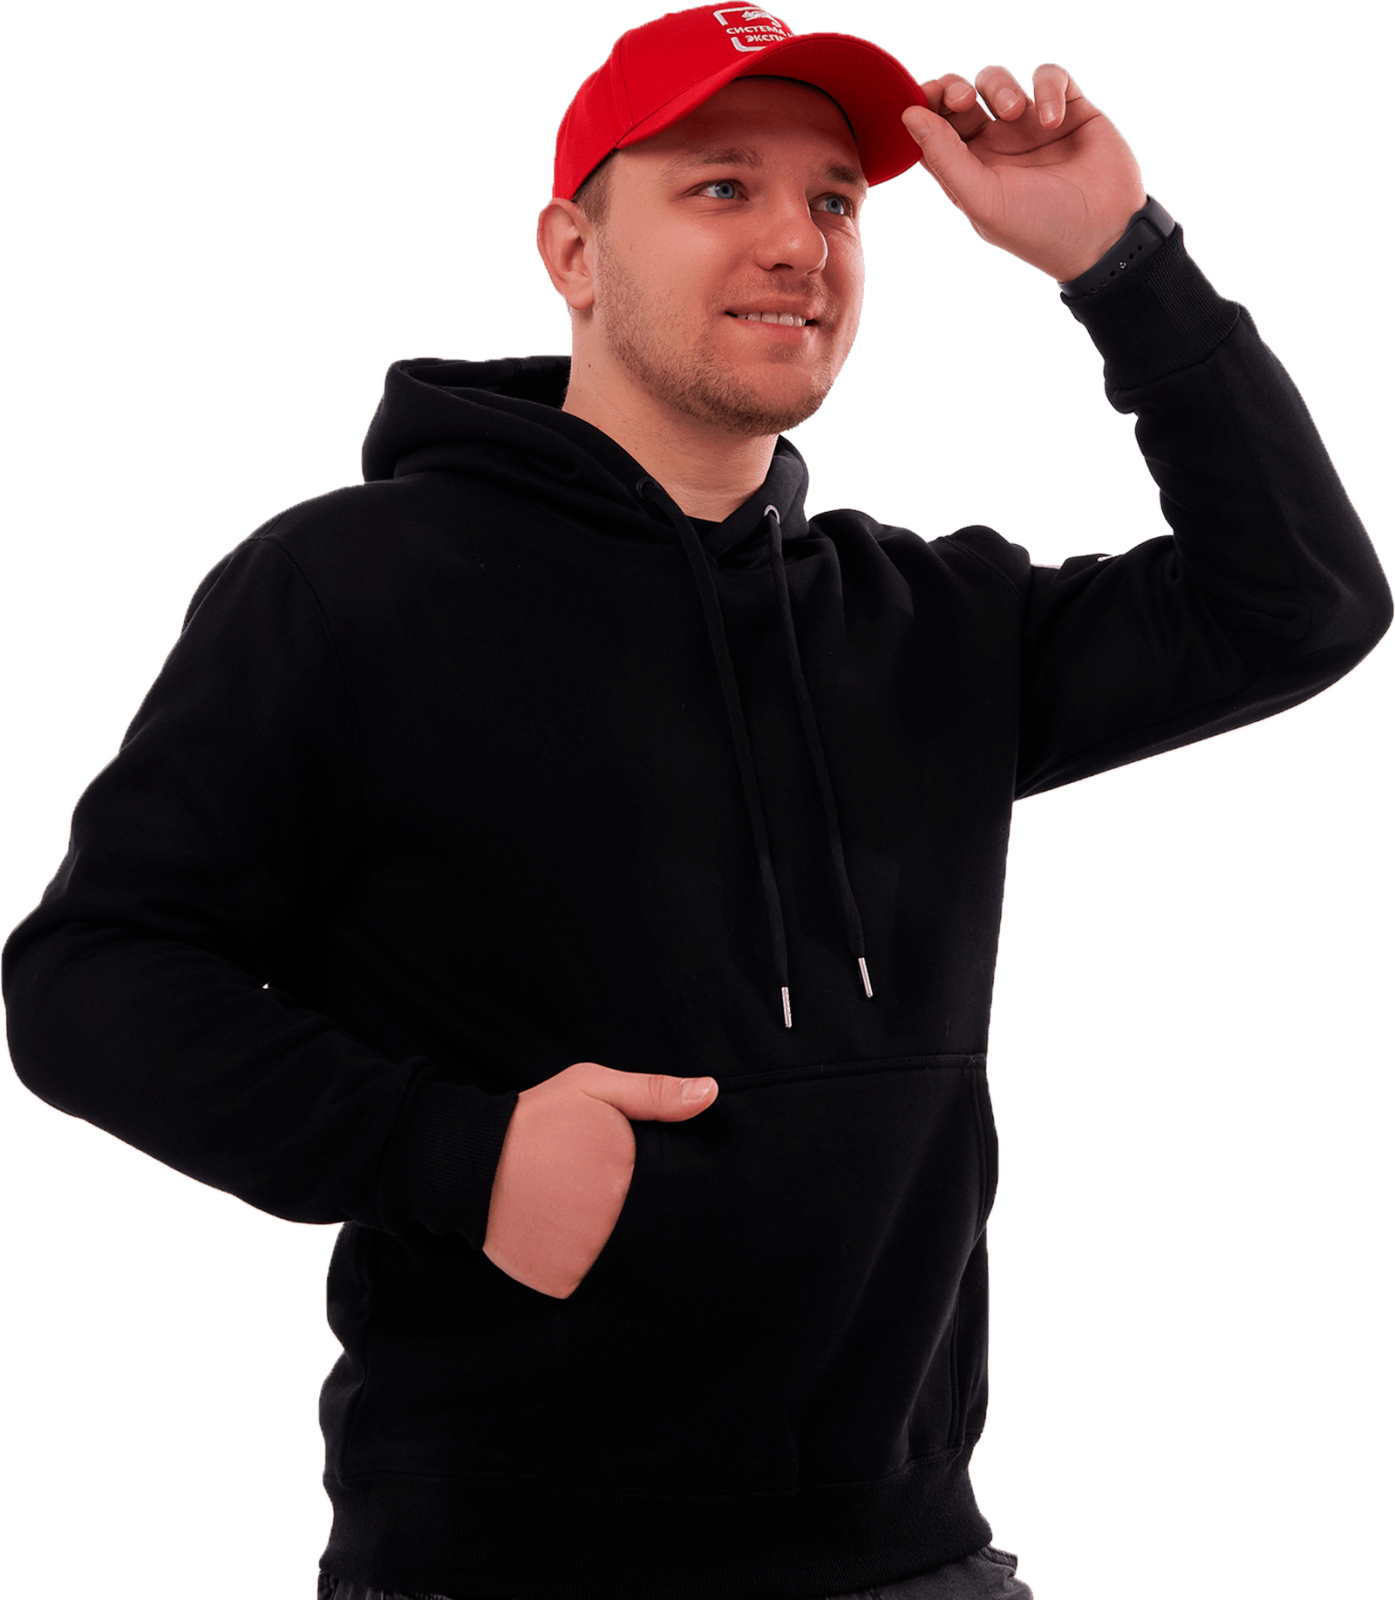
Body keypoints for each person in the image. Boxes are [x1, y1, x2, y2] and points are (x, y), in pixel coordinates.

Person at [3, 5, 1389, 1598]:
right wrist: (455, 1153)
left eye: (834, 200)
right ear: (574, 253)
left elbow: (1303, 603)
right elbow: (91, 981)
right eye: (722, 186)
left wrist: (1122, 264)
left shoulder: (927, 626)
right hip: (507, 1570)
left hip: (910, 1559)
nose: (801, 242)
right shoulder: (351, 589)